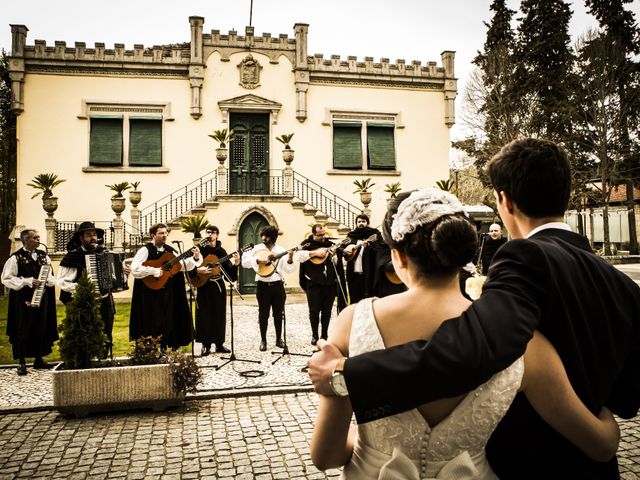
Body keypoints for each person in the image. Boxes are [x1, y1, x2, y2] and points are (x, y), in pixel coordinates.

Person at [308, 138, 640, 479]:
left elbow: (474, 345)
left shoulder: (523, 264)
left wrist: (347, 374)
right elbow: (626, 399)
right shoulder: (623, 287)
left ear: (504, 201)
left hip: (525, 463)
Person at [129, 223, 201, 350]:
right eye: (161, 233)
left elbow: (182, 266)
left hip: (167, 293)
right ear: (153, 235)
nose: (164, 236)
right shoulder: (145, 250)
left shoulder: (171, 250)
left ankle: (165, 348)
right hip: (149, 294)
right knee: (152, 322)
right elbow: (135, 269)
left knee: (168, 321)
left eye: (165, 233)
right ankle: (150, 349)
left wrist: (195, 258)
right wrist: (153, 271)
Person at [57, 221, 126, 354]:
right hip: (81, 302)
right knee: (84, 335)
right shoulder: (72, 257)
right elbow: (62, 282)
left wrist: (123, 274)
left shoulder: (104, 253)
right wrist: (84, 289)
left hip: (105, 300)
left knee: (106, 333)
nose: (93, 237)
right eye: (88, 235)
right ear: (81, 238)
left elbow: (114, 278)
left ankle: (104, 359)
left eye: (94, 234)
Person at [2, 229, 58, 375]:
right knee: (23, 329)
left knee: (41, 326)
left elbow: (50, 275)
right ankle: (21, 362)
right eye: (35, 238)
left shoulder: (43, 256)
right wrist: (27, 281)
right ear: (25, 240)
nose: (38, 240)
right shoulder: (16, 258)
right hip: (23, 300)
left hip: (41, 297)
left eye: (39, 237)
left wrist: (47, 281)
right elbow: (7, 278)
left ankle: (38, 359)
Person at [241, 225, 296, 351]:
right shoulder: (256, 249)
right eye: (263, 235)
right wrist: (257, 260)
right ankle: (263, 340)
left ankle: (278, 339)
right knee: (263, 314)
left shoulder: (281, 250)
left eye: (266, 236)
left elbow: (288, 270)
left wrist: (290, 258)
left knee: (278, 314)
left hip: (277, 286)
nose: (263, 238)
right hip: (262, 286)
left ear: (273, 237)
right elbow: (245, 262)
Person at [294, 224, 346, 345]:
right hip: (313, 283)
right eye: (320, 235)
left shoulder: (330, 245)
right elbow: (299, 257)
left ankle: (324, 334)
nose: (323, 237)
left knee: (327, 311)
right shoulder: (307, 244)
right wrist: (315, 253)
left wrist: (333, 255)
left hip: (329, 283)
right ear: (313, 235)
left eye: (324, 234)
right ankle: (314, 335)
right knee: (314, 310)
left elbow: (337, 263)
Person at [192, 225, 238, 356]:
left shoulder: (222, 252)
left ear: (217, 235)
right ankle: (205, 345)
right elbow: (192, 265)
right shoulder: (200, 249)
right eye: (207, 232)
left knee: (219, 315)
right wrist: (198, 268)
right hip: (204, 286)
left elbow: (229, 275)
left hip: (217, 286)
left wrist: (236, 263)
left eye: (212, 232)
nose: (209, 234)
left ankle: (219, 344)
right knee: (204, 315)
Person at [343, 214, 380, 304]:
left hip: (369, 274)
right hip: (354, 274)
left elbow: (380, 249)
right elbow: (342, 248)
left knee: (368, 301)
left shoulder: (374, 234)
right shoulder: (351, 235)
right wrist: (345, 251)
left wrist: (369, 246)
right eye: (359, 222)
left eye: (363, 221)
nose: (361, 223)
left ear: (367, 223)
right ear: (356, 223)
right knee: (354, 300)